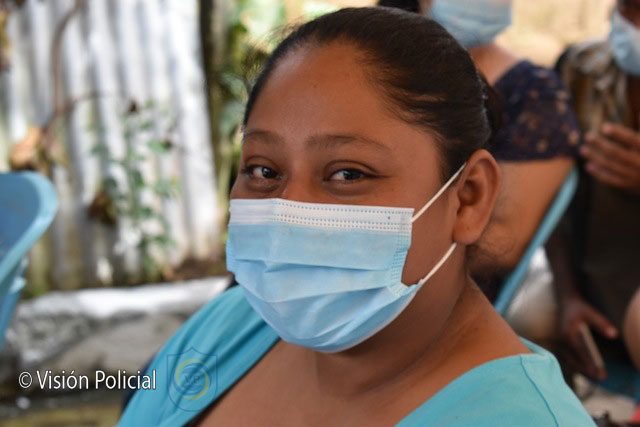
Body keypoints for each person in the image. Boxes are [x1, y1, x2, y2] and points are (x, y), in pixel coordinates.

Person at [119, 8, 593, 426]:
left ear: (468, 198)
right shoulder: (228, 326)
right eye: (263, 170)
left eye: (348, 174)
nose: (290, 210)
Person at [378, 0, 582, 300]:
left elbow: (505, 242)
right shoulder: (370, 64)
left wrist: (375, 256)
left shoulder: (534, 97)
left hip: (431, 293)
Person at [548, 0, 640, 384]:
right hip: (595, 301)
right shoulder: (580, 71)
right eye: (629, 8)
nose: (634, 25)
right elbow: (549, 199)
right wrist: (567, 297)